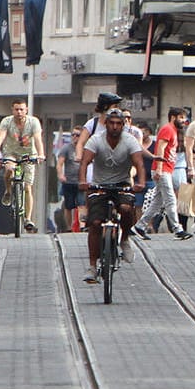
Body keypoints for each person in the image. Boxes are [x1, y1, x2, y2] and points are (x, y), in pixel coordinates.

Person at [79, 108, 147, 284]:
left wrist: (140, 182)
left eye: (119, 124)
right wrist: (83, 181)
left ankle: (124, 238)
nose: (115, 127)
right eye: (112, 123)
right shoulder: (96, 140)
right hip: (99, 185)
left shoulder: (130, 141)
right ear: (106, 124)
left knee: (126, 209)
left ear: (123, 125)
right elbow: (85, 162)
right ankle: (92, 267)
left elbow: (139, 163)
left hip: (122, 184)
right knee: (94, 223)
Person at [0, 98, 45, 233]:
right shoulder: (6, 121)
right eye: (16, 109)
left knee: (28, 187)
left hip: (29, 154)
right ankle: (8, 191)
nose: (19, 112)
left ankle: (28, 219)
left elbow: (38, 138)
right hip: (11, 153)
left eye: (22, 109)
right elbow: (0, 137)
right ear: (12, 110)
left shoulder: (33, 121)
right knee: (9, 170)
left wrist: (41, 154)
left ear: (26, 110)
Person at [141, 106, 188, 238]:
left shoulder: (173, 131)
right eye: (181, 117)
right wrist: (159, 169)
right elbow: (160, 149)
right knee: (171, 199)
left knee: (157, 201)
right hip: (162, 170)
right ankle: (177, 229)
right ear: (173, 117)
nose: (184, 120)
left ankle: (139, 226)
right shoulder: (167, 129)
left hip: (166, 169)